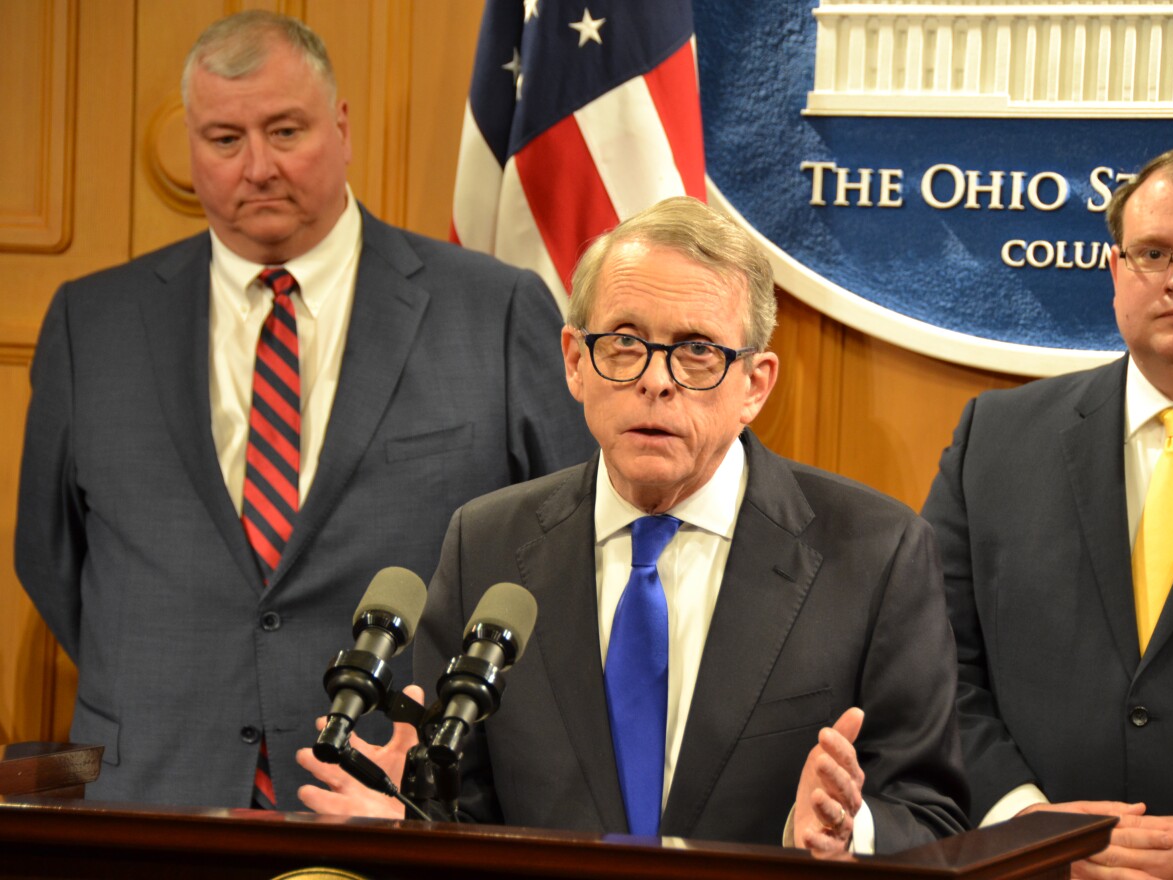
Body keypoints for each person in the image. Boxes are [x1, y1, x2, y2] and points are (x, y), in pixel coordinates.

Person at [14, 10, 593, 810]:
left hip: (391, 800)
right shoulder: (93, 324)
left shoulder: (492, 313)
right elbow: (51, 560)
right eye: (225, 140)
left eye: (286, 131)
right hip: (153, 798)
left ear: (342, 128)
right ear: (192, 144)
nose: (258, 167)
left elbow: (561, 562)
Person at [298, 196, 969, 853]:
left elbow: (933, 818)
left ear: (756, 386)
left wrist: (848, 833)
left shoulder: (874, 554)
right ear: (574, 361)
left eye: (698, 351)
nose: (657, 381)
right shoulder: (486, 545)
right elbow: (464, 808)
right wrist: (412, 818)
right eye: (624, 343)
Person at [922, 145, 1173, 879]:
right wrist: (1021, 821)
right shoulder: (994, 441)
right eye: (1152, 254)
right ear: (1115, 273)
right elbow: (932, 665)